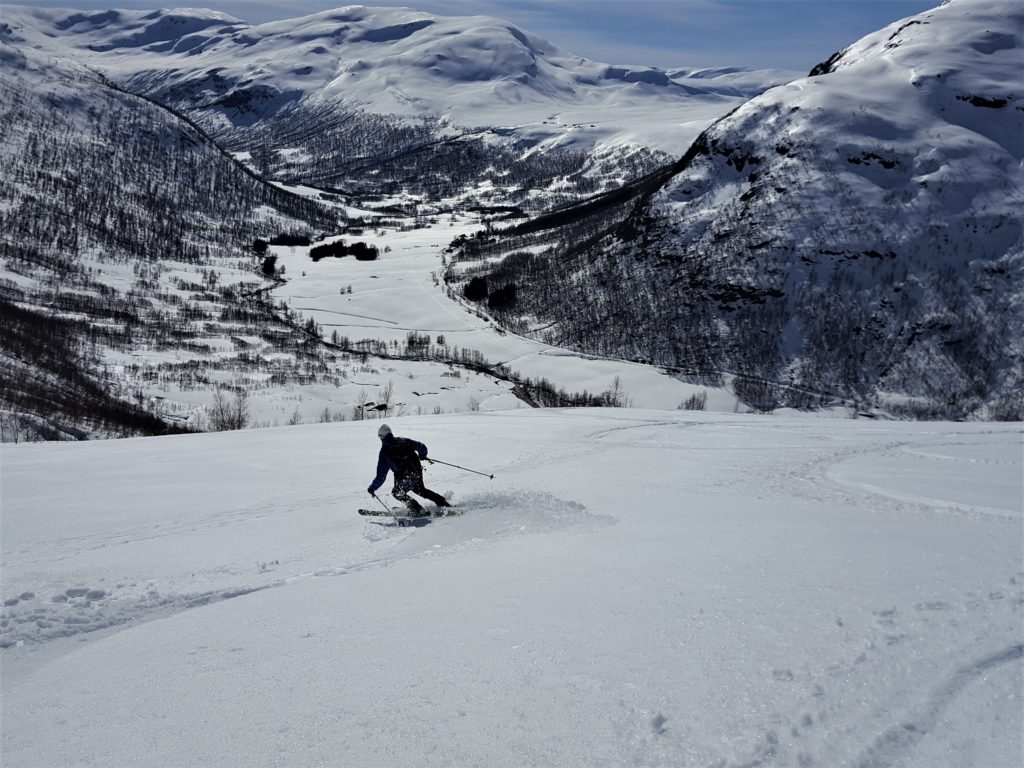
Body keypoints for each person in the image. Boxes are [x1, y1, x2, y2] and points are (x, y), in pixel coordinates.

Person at [367, 423, 452, 516]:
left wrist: (372, 488)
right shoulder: (403, 440)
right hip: (416, 471)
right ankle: (442, 501)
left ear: (382, 436)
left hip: (403, 477)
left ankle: (417, 510)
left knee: (397, 493)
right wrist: (422, 455)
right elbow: (422, 446)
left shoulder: (384, 452)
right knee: (420, 490)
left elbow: (381, 475)